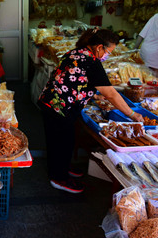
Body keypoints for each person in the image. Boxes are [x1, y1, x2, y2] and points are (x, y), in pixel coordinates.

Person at [38, 28, 144, 194]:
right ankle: (59, 178)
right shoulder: (92, 62)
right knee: (62, 142)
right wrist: (132, 114)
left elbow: (76, 80)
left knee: (59, 141)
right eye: (108, 52)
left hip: (51, 102)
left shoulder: (77, 52)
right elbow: (111, 93)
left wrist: (91, 94)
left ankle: (62, 167)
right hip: (61, 108)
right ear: (99, 47)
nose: (107, 55)